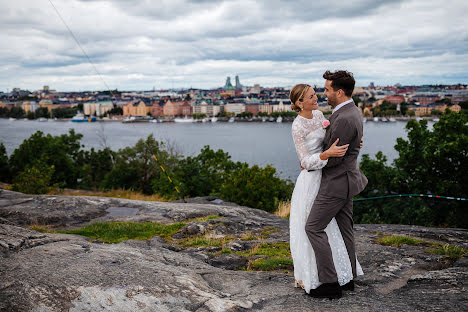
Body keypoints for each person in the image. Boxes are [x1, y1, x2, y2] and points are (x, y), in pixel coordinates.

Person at [289, 80, 364, 299]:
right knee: (315, 228)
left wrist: (353, 143)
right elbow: (304, 162)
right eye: (312, 96)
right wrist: (326, 155)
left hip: (329, 179)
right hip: (312, 180)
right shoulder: (297, 126)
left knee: (328, 229)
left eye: (317, 94)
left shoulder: (321, 116)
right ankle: (322, 278)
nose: (317, 98)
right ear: (300, 103)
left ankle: (336, 278)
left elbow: (335, 139)